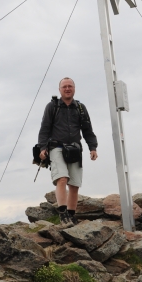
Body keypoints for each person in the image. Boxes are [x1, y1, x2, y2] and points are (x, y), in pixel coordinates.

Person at [38, 77, 98, 226]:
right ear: (60, 90)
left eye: (70, 86)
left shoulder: (80, 108)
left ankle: (71, 216)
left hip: (75, 148)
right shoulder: (52, 107)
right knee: (62, 178)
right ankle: (63, 214)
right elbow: (44, 128)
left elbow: (87, 130)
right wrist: (42, 147)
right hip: (56, 147)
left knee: (75, 184)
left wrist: (93, 147)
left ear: (74, 89)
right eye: (64, 86)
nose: (67, 88)